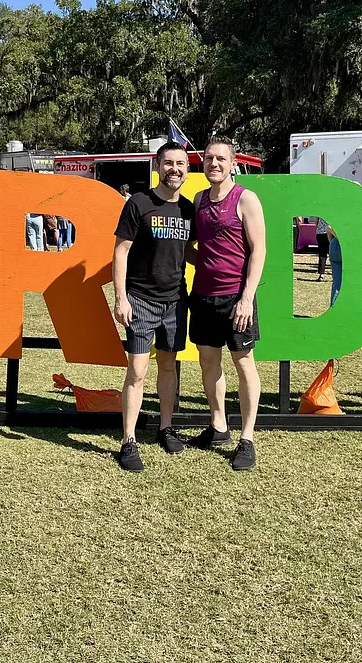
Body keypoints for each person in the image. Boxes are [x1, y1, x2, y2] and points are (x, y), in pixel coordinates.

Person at [112, 142, 196, 472]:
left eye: (181, 164)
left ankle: (165, 428)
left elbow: (186, 250)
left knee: (168, 366)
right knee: (137, 371)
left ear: (187, 169)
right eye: (169, 163)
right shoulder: (139, 203)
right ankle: (128, 440)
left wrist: (214, 265)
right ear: (157, 166)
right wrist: (121, 298)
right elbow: (121, 251)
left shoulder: (189, 210)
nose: (175, 169)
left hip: (175, 301)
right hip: (140, 301)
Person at [186, 136, 266, 471]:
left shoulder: (245, 199)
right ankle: (219, 426)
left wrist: (247, 298)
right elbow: (190, 245)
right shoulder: (198, 199)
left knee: (244, 364)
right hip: (203, 297)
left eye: (221, 159)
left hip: (237, 299)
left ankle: (246, 438)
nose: (214, 164)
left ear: (233, 163)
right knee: (208, 363)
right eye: (208, 159)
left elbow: (259, 250)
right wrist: (196, 259)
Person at [315, 216, 330, 281]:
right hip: (329, 233)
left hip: (320, 233)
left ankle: (321, 274)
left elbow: (315, 221)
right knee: (333, 254)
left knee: (322, 255)